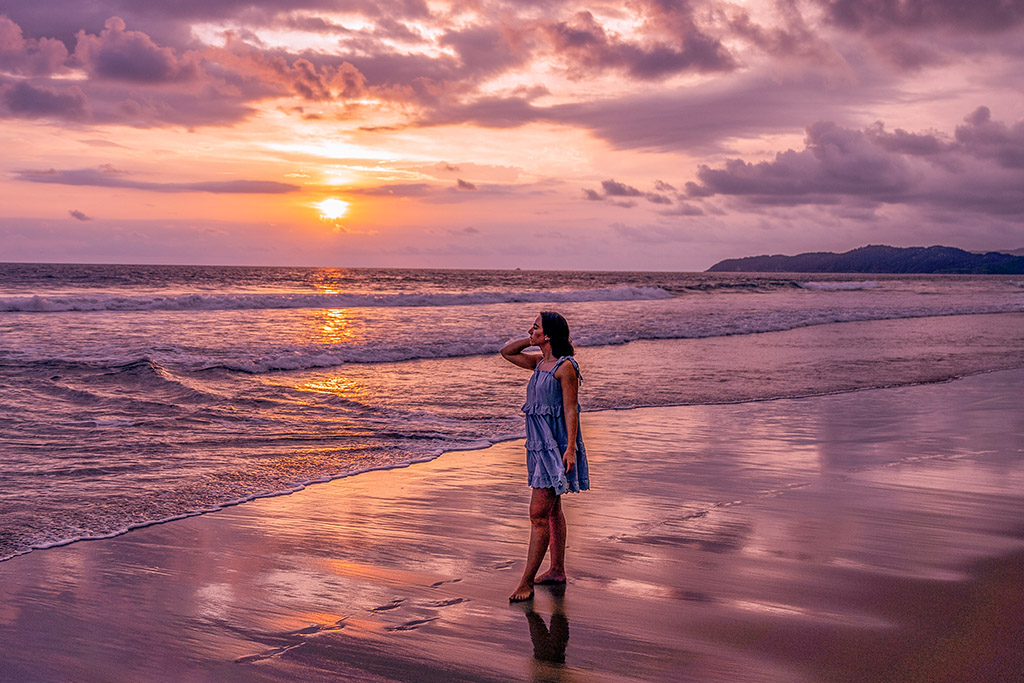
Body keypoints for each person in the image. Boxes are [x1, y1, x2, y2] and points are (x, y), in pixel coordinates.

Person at [500, 311, 590, 603]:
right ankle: (557, 570)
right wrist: (531, 339)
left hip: (556, 447)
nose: (530, 330)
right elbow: (506, 351)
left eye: (536, 327)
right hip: (539, 446)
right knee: (552, 510)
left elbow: (570, 409)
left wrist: (570, 449)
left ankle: (526, 582)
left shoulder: (565, 368)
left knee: (538, 514)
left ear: (549, 334)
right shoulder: (540, 363)